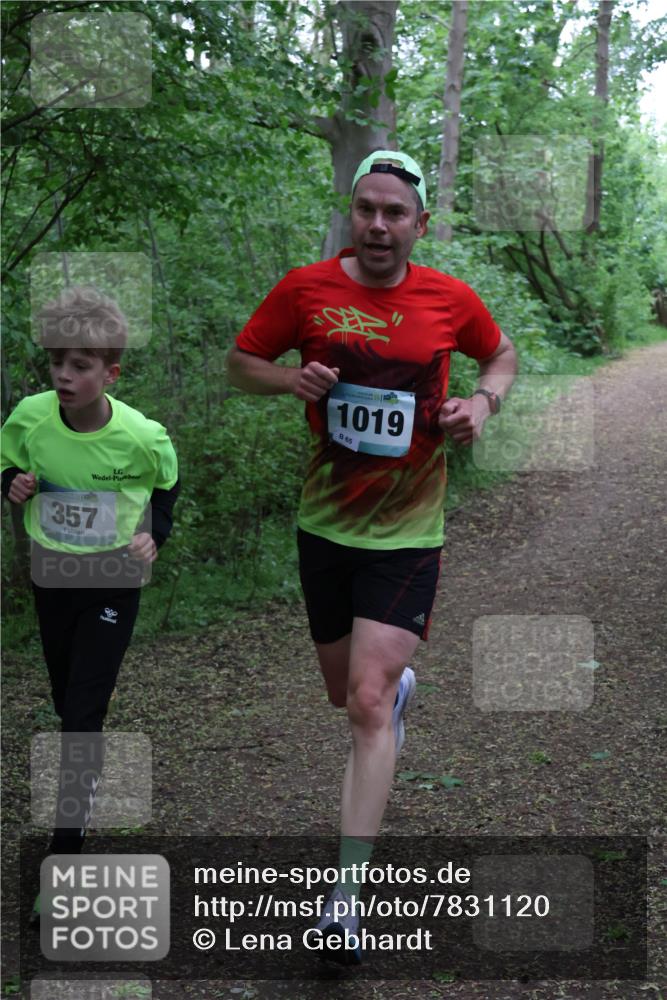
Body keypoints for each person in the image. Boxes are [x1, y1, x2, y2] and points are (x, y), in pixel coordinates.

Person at [226, 150, 517, 962]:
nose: (378, 225)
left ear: (420, 224)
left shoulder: (449, 299)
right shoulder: (304, 289)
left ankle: (343, 906)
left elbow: (501, 355)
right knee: (342, 692)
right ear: (350, 214)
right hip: (324, 525)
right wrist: (287, 382)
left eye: (394, 213)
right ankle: (394, 695)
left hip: (407, 534)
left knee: (363, 698)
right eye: (366, 209)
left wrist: (482, 403)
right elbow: (241, 364)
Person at [1, 285, 179, 919]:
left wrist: (154, 533)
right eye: (57, 363)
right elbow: (6, 463)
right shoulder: (30, 417)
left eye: (80, 365)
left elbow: (166, 485)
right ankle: (85, 775)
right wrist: (11, 483)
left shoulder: (142, 435)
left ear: (111, 373)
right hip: (51, 577)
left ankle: (64, 857)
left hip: (113, 579)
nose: (64, 376)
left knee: (81, 714)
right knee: (65, 702)